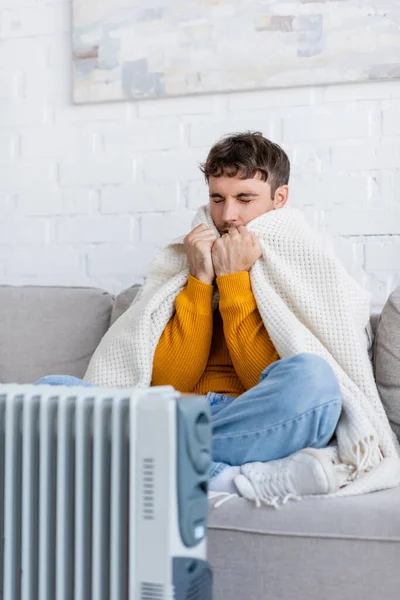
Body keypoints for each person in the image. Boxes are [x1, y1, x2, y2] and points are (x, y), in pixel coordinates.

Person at [36, 132, 343, 504]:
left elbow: (259, 379)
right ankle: (226, 477)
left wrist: (234, 282)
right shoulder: (187, 261)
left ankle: (143, 453)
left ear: (280, 199)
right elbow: (169, 381)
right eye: (217, 198)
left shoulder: (308, 261)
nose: (228, 215)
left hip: (249, 417)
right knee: (48, 391)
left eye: (245, 198)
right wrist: (201, 279)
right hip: (174, 409)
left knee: (315, 381)